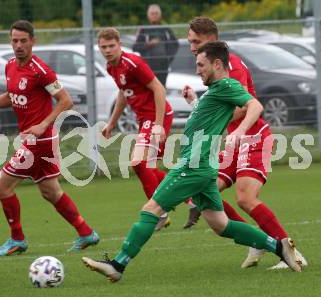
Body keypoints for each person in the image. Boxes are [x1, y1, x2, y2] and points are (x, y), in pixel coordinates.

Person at [81, 41, 302, 283]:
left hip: (194, 165)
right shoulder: (217, 89)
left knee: (152, 210)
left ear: (217, 64)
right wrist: (194, 102)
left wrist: (239, 132)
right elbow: (211, 118)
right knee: (221, 225)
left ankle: (117, 265)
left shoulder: (227, 85)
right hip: (202, 166)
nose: (197, 69)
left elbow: (255, 105)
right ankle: (280, 247)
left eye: (201, 64)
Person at [0, 20, 99, 256]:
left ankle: (17, 239)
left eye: (23, 41)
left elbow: (66, 101)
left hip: (39, 141)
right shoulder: (10, 66)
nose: (18, 45)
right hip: (36, 141)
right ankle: (86, 232)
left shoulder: (41, 70)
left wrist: (43, 124)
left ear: (33, 41)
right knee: (50, 192)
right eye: (14, 40)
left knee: (1, 186)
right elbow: (13, 95)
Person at [184, 16, 307, 270]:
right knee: (203, 189)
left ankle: (291, 252)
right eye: (190, 42)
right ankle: (256, 240)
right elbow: (218, 108)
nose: (192, 47)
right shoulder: (210, 65)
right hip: (231, 141)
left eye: (196, 41)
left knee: (246, 197)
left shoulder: (232, 65)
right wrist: (196, 105)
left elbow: (244, 106)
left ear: (212, 39)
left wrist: (216, 127)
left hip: (251, 136)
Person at [98, 27, 174, 231]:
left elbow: (159, 88)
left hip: (156, 116)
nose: (107, 50)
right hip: (145, 119)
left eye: (111, 46)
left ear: (119, 44)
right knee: (148, 167)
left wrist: (158, 124)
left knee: (139, 162)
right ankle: (191, 200)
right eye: (103, 47)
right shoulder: (111, 67)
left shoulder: (133, 62)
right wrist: (112, 122)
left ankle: (159, 212)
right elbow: (123, 93)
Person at [133, 4, 179, 86]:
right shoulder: (143, 30)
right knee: (148, 92)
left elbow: (175, 44)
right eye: (152, 13)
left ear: (160, 15)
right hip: (147, 68)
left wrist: (168, 59)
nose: (154, 15)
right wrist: (149, 44)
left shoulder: (165, 29)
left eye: (156, 13)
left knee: (161, 90)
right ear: (148, 15)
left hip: (163, 68)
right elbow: (135, 47)